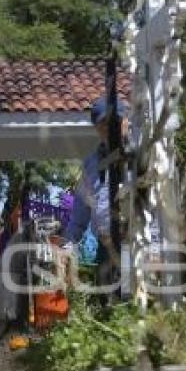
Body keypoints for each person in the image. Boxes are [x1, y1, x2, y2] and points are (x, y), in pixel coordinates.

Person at [60, 96, 128, 295]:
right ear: (97, 128)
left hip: (136, 248)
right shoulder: (91, 165)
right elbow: (78, 216)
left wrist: (156, 250)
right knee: (109, 312)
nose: (109, 128)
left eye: (114, 121)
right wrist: (67, 247)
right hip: (105, 251)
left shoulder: (140, 157)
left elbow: (155, 207)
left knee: (138, 311)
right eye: (103, 124)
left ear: (125, 121)